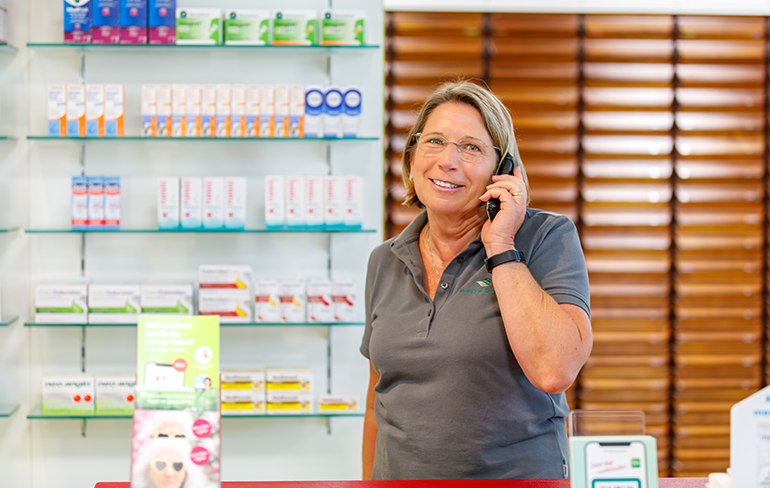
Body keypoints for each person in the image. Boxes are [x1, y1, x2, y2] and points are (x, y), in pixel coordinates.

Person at [360, 80, 592, 480]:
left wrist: (501, 245)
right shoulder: (385, 259)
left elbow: (555, 370)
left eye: (471, 147)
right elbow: (377, 399)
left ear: (502, 171)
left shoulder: (545, 239)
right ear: (412, 158)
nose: (448, 160)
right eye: (434, 141)